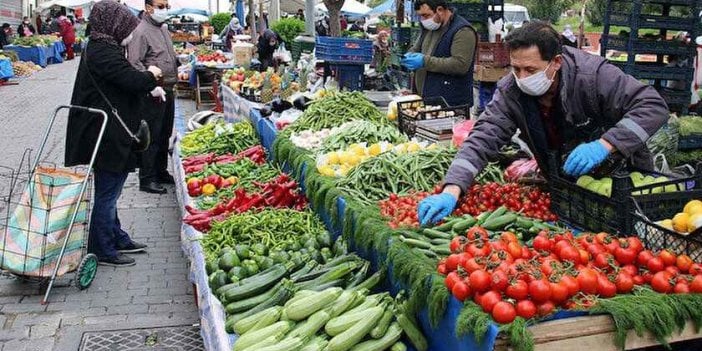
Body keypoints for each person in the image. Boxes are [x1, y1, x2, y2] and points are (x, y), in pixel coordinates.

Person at [416, 21, 670, 225]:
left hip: (623, 181)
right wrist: (452, 189)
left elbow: (652, 106)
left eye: (530, 70)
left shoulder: (592, 76)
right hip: (566, 188)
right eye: (516, 68)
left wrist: (605, 145)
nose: (522, 77)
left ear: (556, 62)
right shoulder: (511, 91)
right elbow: (484, 137)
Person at [65, 0, 162, 266]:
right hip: (105, 133)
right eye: (127, 27)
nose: (130, 33)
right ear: (114, 25)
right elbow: (129, 80)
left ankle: (116, 236)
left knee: (113, 190)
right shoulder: (102, 51)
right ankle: (102, 249)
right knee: (108, 192)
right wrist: (151, 76)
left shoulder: (103, 47)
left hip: (109, 130)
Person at [127, 0, 178, 194]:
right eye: (160, 5)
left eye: (166, 5)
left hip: (169, 88)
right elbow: (134, 62)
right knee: (153, 135)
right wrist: (150, 85)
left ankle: (161, 170)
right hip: (153, 92)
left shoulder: (163, 29)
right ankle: (147, 178)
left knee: (165, 132)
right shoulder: (140, 31)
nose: (164, 9)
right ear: (149, 8)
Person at [401, 0, 478, 107]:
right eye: (420, 16)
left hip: (450, 103)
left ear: (440, 10)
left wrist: (424, 61)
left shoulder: (463, 31)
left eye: (426, 15)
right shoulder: (429, 28)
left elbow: (460, 65)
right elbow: (416, 48)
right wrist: (409, 56)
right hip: (426, 100)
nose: (423, 20)